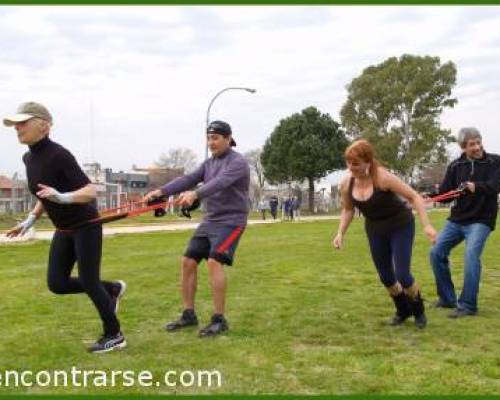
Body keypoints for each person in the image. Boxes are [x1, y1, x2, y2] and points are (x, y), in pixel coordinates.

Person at [4, 102, 126, 353]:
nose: (17, 127)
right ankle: (111, 289)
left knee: (89, 281)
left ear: (44, 126)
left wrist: (64, 197)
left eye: (23, 122)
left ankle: (114, 335)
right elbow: (44, 193)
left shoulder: (59, 155)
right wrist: (31, 219)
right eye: (16, 124)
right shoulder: (28, 157)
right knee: (57, 283)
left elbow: (90, 191)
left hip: (86, 226)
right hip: (64, 229)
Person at [144, 120, 250, 337]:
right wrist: (161, 192)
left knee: (214, 261)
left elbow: (220, 183)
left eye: (216, 138)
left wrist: (196, 193)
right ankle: (188, 315)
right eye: (209, 138)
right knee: (187, 262)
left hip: (232, 221)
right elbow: (188, 179)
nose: (211, 142)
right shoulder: (208, 164)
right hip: (210, 220)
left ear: (228, 139)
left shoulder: (238, 163)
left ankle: (219, 319)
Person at [333, 139, 437, 328]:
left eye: (355, 163)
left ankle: (419, 310)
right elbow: (348, 210)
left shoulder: (383, 178)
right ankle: (403, 310)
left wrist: (427, 226)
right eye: (348, 163)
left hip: (400, 226)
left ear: (368, 161)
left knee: (403, 275)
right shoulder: (346, 184)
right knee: (386, 277)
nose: (351, 167)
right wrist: (340, 233)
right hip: (375, 230)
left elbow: (414, 196)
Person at [430, 127, 500, 318]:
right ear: (463, 147)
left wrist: (474, 186)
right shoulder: (455, 166)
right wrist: (429, 196)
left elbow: (494, 187)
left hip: (481, 220)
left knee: (471, 256)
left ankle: (468, 305)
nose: (477, 147)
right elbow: (445, 194)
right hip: (457, 220)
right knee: (436, 253)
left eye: (478, 142)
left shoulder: (495, 161)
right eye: (472, 144)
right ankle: (447, 299)